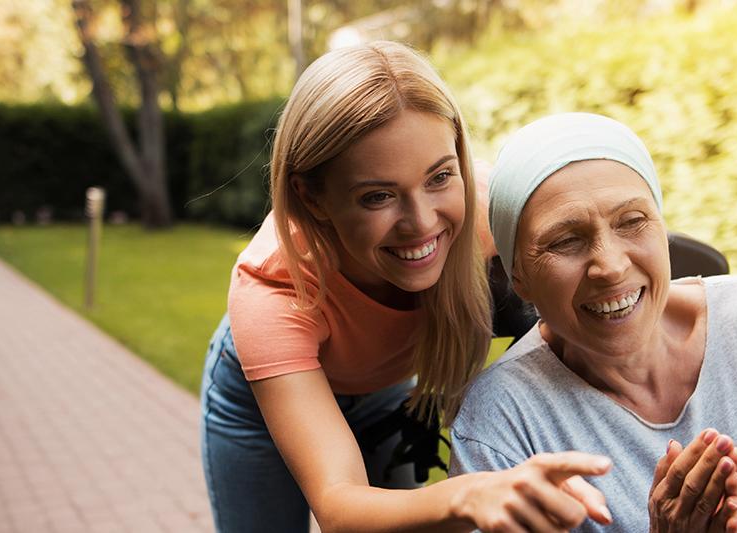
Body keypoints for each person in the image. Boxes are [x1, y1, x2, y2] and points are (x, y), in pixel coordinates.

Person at [201, 43, 617, 532]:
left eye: (439, 176)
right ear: (310, 196)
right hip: (253, 405)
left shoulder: (486, 211)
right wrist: (470, 492)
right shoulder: (272, 292)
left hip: (384, 388)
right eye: (377, 196)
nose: (421, 224)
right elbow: (339, 505)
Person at [450, 113, 737, 532]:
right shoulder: (500, 421)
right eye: (566, 241)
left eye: (632, 221)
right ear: (520, 278)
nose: (609, 266)